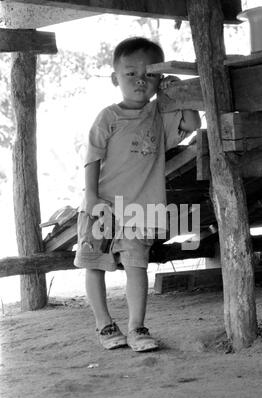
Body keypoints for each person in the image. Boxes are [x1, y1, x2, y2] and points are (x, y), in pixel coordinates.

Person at [74, 37, 201, 352]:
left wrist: (177, 89)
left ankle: (136, 328)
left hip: (140, 210)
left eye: (150, 74)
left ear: (159, 79)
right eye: (130, 74)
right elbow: (92, 156)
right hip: (101, 206)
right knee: (94, 264)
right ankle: (104, 325)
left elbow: (193, 121)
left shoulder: (160, 114)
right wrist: (90, 196)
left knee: (136, 266)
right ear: (115, 78)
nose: (140, 81)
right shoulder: (108, 117)